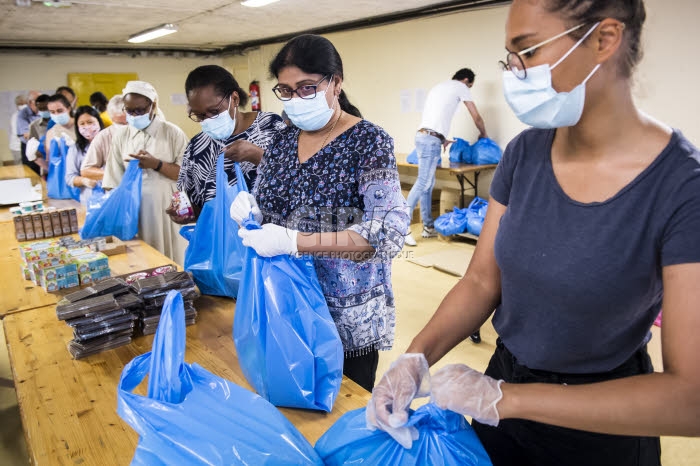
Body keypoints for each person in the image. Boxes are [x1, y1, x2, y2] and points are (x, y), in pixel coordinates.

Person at [367, 1, 700, 465]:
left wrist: (508, 401)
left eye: (528, 52)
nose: (514, 74)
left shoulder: (681, 185)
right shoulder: (524, 154)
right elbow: (483, 282)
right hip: (505, 389)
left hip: (601, 423)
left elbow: (689, 399)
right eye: (509, 58)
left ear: (604, 39)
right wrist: (415, 358)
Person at [229, 34, 410, 392]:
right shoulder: (282, 140)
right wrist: (252, 208)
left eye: (307, 87)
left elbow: (389, 232)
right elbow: (273, 201)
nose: (295, 100)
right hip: (284, 304)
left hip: (343, 316)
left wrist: (296, 240)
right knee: (288, 402)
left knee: (340, 412)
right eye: (285, 90)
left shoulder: (369, 142)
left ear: (336, 83)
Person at [167, 65, 285, 224]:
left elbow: (300, 180)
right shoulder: (196, 148)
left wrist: (259, 157)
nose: (208, 120)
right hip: (221, 242)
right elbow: (195, 205)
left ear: (234, 99)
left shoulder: (271, 127)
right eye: (200, 116)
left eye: (214, 112)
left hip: (270, 241)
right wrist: (183, 213)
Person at [103, 80, 188, 264]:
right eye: (129, 110)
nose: (134, 115)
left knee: (171, 256)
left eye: (140, 110)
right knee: (140, 260)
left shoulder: (172, 133)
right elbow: (113, 179)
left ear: (153, 106)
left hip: (166, 208)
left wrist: (156, 164)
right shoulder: (122, 135)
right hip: (134, 210)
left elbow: (185, 175)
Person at [404, 68, 488, 247]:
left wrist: (442, 138)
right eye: (470, 86)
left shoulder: (440, 87)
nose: (469, 90)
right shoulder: (461, 86)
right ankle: (401, 227)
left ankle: (428, 227)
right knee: (423, 182)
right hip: (429, 140)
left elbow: (434, 119)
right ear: (466, 80)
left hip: (425, 137)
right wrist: (484, 134)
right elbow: (477, 117)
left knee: (428, 184)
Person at [81, 94, 127, 181]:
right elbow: (86, 170)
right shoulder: (104, 136)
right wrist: (113, 174)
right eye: (120, 124)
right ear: (111, 119)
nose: (126, 127)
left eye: (128, 122)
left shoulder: (147, 132)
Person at [65, 106, 103, 205]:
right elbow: (69, 178)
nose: (87, 127)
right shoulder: (75, 149)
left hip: (114, 197)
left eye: (90, 122)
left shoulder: (112, 142)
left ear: (98, 122)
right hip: (90, 199)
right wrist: (84, 180)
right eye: (82, 124)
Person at [41, 94, 76, 173]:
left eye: (60, 111)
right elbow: (50, 162)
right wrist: (35, 158)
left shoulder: (81, 125)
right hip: (62, 175)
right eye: (52, 112)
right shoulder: (51, 133)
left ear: (69, 109)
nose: (56, 114)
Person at [17, 90, 40, 170]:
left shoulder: (43, 112)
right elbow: (27, 135)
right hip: (29, 146)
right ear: (31, 102)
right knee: (31, 171)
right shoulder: (23, 114)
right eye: (38, 100)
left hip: (42, 146)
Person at [9, 95, 26, 164]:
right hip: (17, 147)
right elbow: (18, 133)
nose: (23, 106)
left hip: (24, 146)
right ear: (17, 105)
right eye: (20, 104)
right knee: (20, 168)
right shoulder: (16, 116)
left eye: (24, 103)